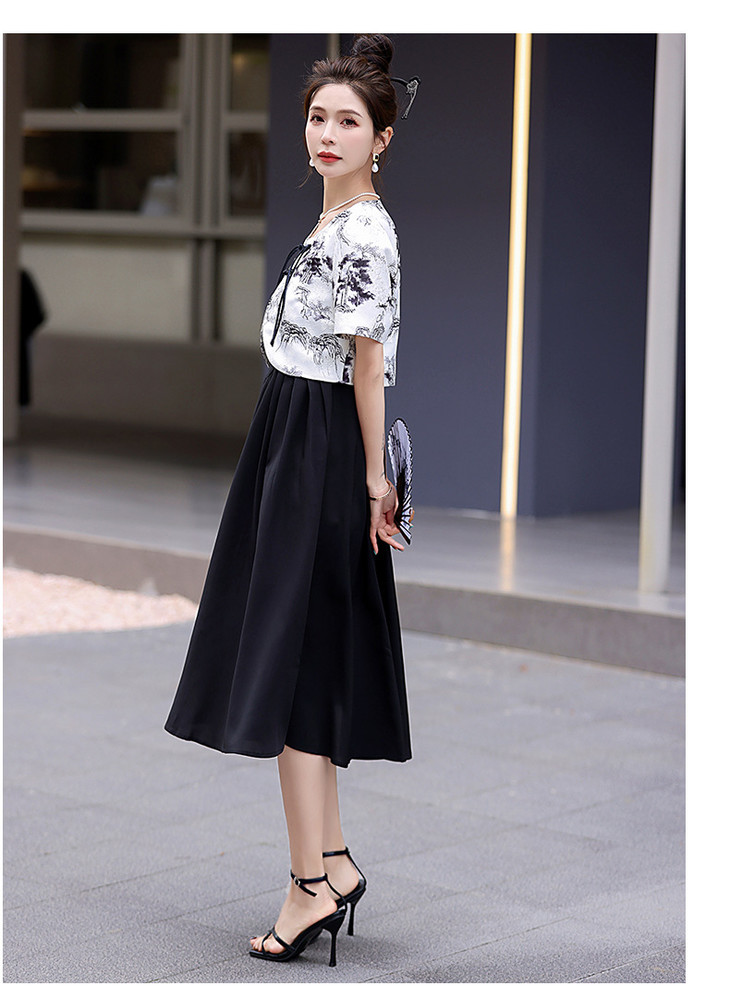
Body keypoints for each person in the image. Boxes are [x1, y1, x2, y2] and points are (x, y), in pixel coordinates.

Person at [164, 33, 415, 968]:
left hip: (316, 446)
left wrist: (374, 480)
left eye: (349, 121)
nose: (327, 133)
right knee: (295, 658)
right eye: (318, 117)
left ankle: (310, 884)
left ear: (382, 138)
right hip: (295, 435)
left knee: (288, 662)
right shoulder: (335, 221)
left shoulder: (364, 232)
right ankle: (332, 862)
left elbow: (367, 366)